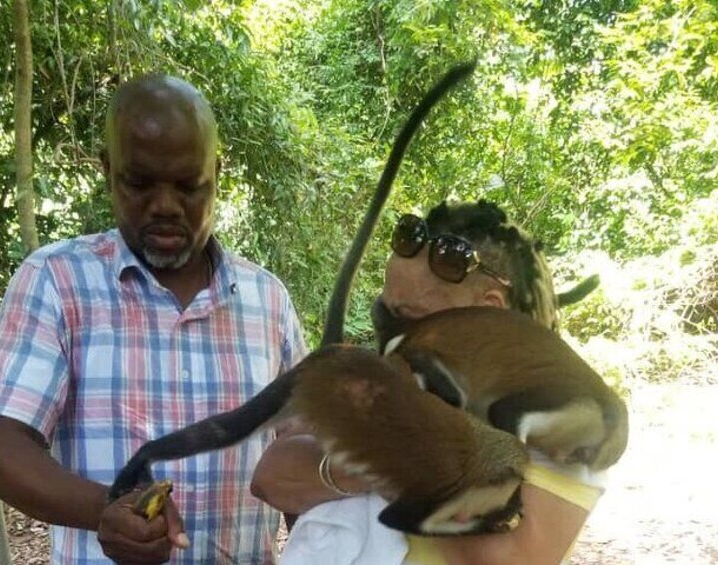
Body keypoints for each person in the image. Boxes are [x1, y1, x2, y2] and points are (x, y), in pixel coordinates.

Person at [0, 74, 307, 564]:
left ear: (216, 174)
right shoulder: (56, 281)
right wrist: (104, 510)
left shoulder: (268, 301)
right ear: (108, 170)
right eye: (139, 183)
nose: (164, 206)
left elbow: (302, 458)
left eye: (188, 186)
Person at [251, 200, 608, 564]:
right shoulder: (404, 380)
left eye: (412, 319)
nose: (394, 341)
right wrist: (384, 465)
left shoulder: (565, 421)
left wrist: (385, 461)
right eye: (388, 313)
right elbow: (271, 476)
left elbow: (508, 557)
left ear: (489, 311)